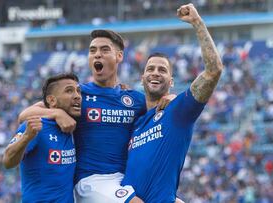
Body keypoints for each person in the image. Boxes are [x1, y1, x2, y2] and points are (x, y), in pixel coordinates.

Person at [18, 29, 175, 202]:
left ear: (119, 56)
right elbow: (25, 115)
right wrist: (55, 112)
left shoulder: (134, 99)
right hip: (91, 182)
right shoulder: (78, 96)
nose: (97, 55)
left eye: (104, 50)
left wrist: (171, 97)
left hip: (124, 181)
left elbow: (159, 108)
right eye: (93, 51)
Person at [121, 4, 224, 202]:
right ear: (142, 77)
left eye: (162, 70)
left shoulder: (178, 111)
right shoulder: (135, 123)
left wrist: (197, 23)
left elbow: (214, 70)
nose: (155, 73)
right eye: (150, 69)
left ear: (171, 81)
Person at [3, 73, 82, 203]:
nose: (77, 96)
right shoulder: (36, 125)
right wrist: (26, 137)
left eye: (78, 91)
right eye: (69, 91)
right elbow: (7, 161)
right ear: (52, 101)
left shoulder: (74, 126)